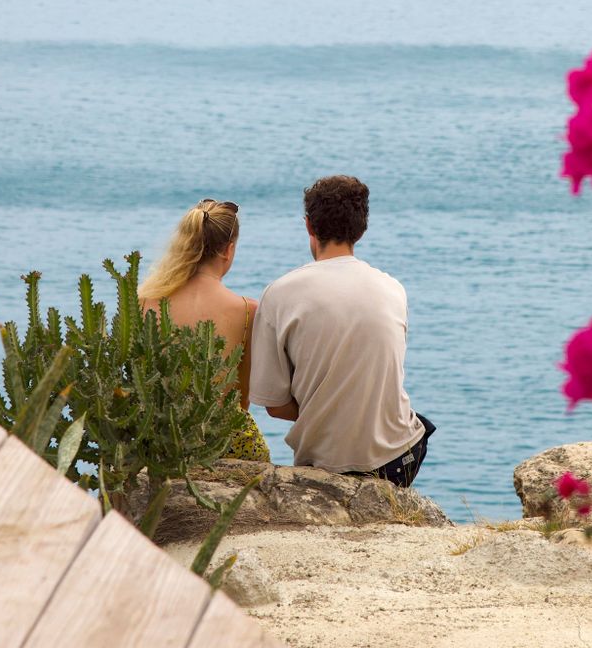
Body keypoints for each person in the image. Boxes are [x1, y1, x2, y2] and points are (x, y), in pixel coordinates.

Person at [249, 175, 432, 487]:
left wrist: (325, 410)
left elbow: (275, 405)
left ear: (309, 225)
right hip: (396, 460)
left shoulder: (280, 293)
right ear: (361, 229)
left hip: (324, 463)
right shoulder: (392, 288)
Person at [140, 199, 271, 463]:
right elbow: (242, 399)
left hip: (162, 436)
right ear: (228, 250)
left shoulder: (144, 302)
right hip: (227, 441)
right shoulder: (248, 311)